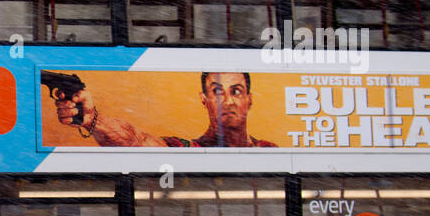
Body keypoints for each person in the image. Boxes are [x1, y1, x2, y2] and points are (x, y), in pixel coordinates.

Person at [52, 71, 277, 147]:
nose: (228, 101)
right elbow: (134, 141)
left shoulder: (269, 150)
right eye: (217, 92)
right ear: (204, 99)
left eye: (236, 91)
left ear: (249, 99)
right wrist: (93, 121)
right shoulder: (184, 148)